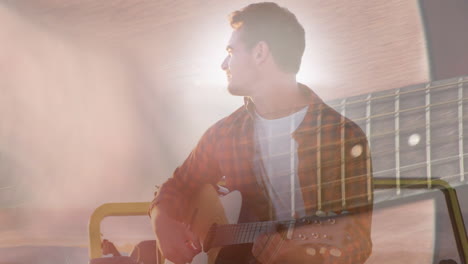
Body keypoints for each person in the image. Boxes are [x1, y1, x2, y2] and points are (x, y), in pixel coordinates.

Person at [150, 2, 373, 264]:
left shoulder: (342, 136)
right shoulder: (225, 134)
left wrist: (302, 254)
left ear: (260, 52)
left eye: (231, 51)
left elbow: (356, 242)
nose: (224, 63)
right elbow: (177, 186)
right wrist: (161, 220)